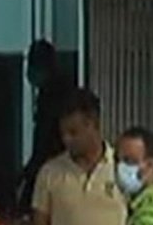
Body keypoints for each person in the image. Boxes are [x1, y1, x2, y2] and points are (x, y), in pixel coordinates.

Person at [31, 88, 125, 225]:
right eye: (63, 133)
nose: (66, 139)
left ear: (93, 124)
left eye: (73, 132)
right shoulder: (49, 173)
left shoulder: (122, 168)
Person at [17, 39, 76, 212]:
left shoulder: (55, 96)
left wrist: (32, 169)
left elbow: (46, 138)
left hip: (56, 167)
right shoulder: (51, 92)